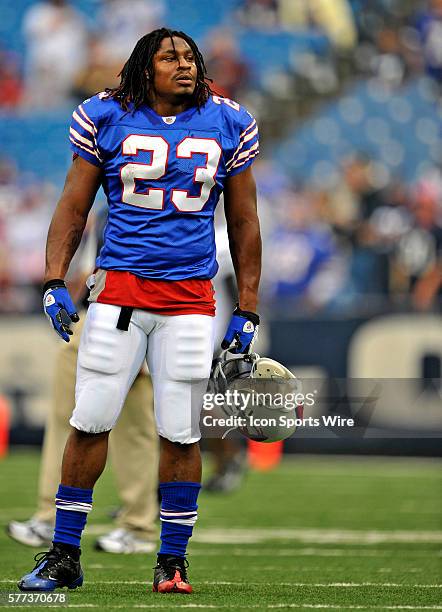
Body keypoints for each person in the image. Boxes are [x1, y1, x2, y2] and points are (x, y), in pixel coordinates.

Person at [18, 28, 261, 595]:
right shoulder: (107, 115)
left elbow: (246, 220)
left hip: (191, 301)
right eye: (170, 57)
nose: (185, 65)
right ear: (143, 68)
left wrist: (247, 306)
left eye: (191, 57)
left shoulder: (229, 120)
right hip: (119, 296)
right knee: (91, 419)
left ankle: (172, 561)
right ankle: (63, 554)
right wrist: (54, 278)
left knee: (181, 431)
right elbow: (74, 205)